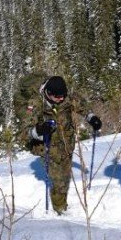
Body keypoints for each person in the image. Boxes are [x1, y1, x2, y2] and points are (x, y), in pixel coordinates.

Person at [15, 74, 101, 215]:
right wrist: (39, 131)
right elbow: (24, 133)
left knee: (65, 174)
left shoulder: (65, 96)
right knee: (59, 180)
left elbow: (82, 105)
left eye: (63, 96)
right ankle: (60, 211)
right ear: (48, 93)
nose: (61, 99)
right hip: (47, 147)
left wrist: (92, 118)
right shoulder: (35, 103)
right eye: (58, 97)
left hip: (66, 143)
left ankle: (61, 203)